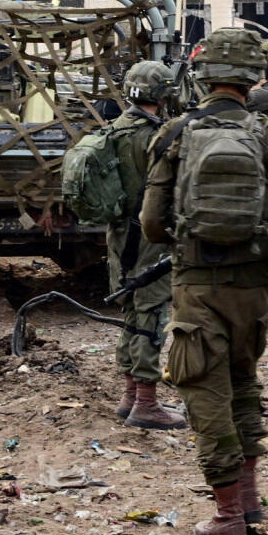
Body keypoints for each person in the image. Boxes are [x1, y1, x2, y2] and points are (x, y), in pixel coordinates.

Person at [139, 26, 268, 535]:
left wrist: (184, 235)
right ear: (251, 78)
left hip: (197, 282)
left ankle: (227, 515)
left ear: (202, 75)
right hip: (253, 285)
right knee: (243, 382)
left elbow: (150, 221)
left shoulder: (173, 133)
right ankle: (251, 497)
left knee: (203, 390)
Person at [103, 60, 183, 430]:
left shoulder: (114, 128)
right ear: (162, 94)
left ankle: (130, 395)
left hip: (118, 234)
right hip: (151, 234)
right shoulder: (159, 135)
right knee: (151, 312)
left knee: (132, 310)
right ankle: (147, 402)